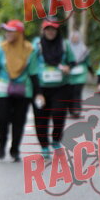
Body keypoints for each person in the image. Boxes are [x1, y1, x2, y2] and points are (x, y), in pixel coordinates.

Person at [0, 20, 39, 162]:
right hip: (4, 90)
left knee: (19, 121)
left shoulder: (30, 50)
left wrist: (38, 94)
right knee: (2, 118)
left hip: (24, 90)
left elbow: (34, 73)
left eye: (11, 31)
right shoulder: (0, 49)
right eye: (6, 31)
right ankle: (2, 144)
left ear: (19, 33)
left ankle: (15, 149)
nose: (7, 34)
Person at [33, 20, 75, 159]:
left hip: (60, 87)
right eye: (48, 29)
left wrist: (68, 67)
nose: (50, 32)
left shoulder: (64, 44)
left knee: (59, 115)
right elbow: (31, 65)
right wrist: (36, 90)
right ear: (43, 30)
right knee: (41, 118)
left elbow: (72, 61)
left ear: (57, 31)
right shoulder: (37, 45)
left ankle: (56, 139)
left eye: (53, 29)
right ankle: (44, 146)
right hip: (41, 88)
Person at [67, 30, 93, 117]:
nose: (75, 39)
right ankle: (71, 110)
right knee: (70, 92)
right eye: (73, 38)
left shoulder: (84, 49)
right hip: (69, 74)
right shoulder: (67, 48)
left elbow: (88, 62)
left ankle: (77, 110)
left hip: (81, 73)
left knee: (77, 91)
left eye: (76, 37)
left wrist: (92, 72)